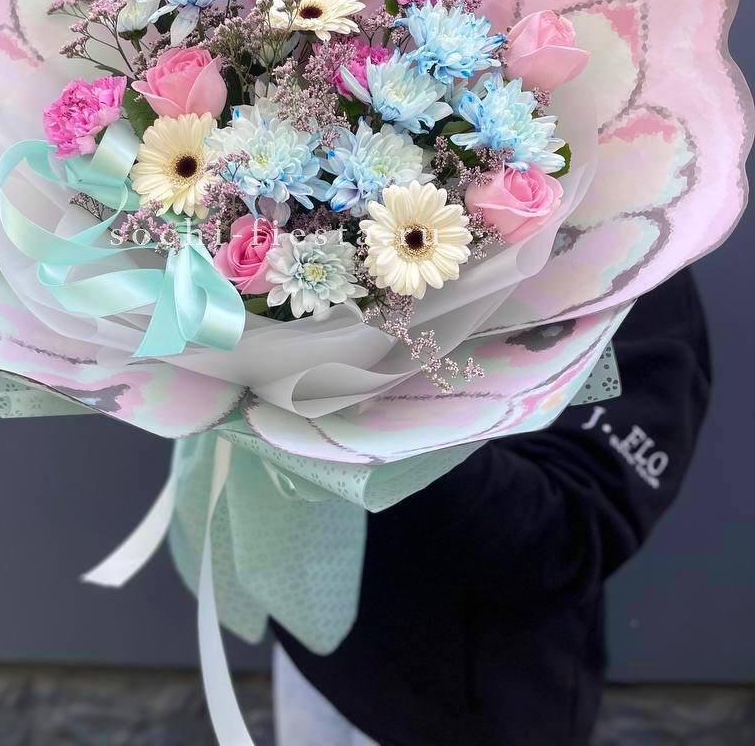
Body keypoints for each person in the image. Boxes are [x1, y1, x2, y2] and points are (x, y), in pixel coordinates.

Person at [272, 269, 710, 746]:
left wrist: (381, 430)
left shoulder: (635, 259)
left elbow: (570, 529)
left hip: (471, 703)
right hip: (310, 640)